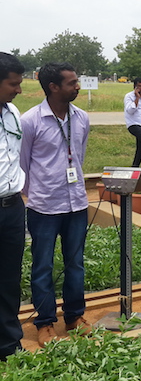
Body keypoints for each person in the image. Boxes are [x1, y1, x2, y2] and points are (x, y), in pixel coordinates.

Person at [21, 63, 91, 347]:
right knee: (43, 265)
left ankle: (74, 317)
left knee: (75, 264)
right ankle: (45, 322)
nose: (78, 86)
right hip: (43, 207)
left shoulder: (82, 117)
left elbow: (80, 155)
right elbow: (23, 164)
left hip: (77, 205)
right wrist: (37, 192)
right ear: (53, 87)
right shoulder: (31, 121)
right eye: (72, 83)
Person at [0, 52, 25, 360]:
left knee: (8, 278)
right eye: (13, 84)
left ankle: (9, 344)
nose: (18, 90)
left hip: (12, 207)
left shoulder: (13, 113)